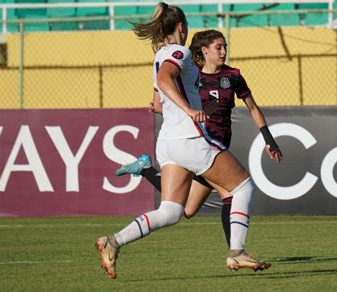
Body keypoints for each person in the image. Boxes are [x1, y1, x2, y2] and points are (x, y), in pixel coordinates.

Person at [95, 3, 270, 279]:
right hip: (188, 137)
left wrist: (185, 103)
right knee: (242, 187)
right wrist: (189, 110)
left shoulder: (159, 55)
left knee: (171, 211)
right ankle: (237, 253)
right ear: (181, 27)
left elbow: (157, 101)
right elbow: (166, 78)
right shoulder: (180, 52)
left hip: (167, 141)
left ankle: (113, 241)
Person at [115, 29, 283, 249]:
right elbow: (165, 101)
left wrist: (268, 139)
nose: (223, 51)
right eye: (218, 47)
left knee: (186, 210)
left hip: (215, 145)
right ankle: (236, 251)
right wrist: (171, 109)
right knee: (232, 192)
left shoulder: (232, 76)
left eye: (225, 47)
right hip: (199, 145)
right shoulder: (192, 76)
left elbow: (253, 107)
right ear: (204, 50)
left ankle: (145, 169)